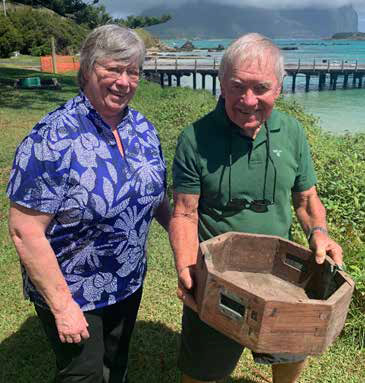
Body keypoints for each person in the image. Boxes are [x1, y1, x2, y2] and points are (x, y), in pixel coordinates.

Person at [169, 33, 343, 383]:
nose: (248, 100)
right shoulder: (195, 138)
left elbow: (306, 199)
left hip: (284, 278)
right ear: (221, 83)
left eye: (261, 88)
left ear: (279, 87)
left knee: (290, 357)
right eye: (237, 87)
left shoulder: (291, 132)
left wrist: (320, 234)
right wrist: (188, 269)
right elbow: (185, 213)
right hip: (219, 275)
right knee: (203, 373)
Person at [7, 24, 170, 383]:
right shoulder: (52, 137)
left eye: (132, 72)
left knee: (116, 363)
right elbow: (24, 230)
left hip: (127, 279)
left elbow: (158, 197)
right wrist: (63, 306)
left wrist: (184, 237)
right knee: (82, 374)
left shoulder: (142, 128)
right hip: (73, 288)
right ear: (86, 70)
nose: (123, 81)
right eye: (112, 69)